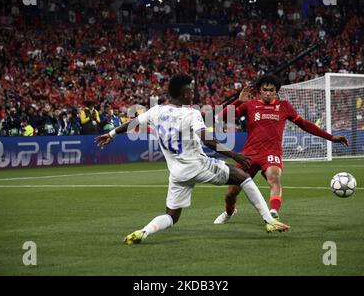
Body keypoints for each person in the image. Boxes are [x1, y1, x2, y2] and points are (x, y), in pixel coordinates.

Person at [95, 74, 290, 245]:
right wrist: (233, 154)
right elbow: (207, 138)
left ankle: (144, 231)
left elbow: (133, 123)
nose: (193, 92)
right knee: (243, 177)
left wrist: (111, 134)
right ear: (184, 92)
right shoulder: (191, 113)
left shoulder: (156, 111)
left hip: (177, 174)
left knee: (171, 217)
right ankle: (269, 221)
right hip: (198, 165)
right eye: (191, 89)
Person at [213, 75, 349, 224]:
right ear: (259, 90)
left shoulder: (284, 106)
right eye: (265, 89)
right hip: (248, 154)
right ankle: (229, 213)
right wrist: (239, 100)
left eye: (271, 90)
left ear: (276, 91)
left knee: (274, 178)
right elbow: (220, 117)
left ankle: (273, 212)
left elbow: (305, 124)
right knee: (231, 193)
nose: (268, 93)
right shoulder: (249, 105)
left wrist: (331, 138)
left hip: (271, 153)